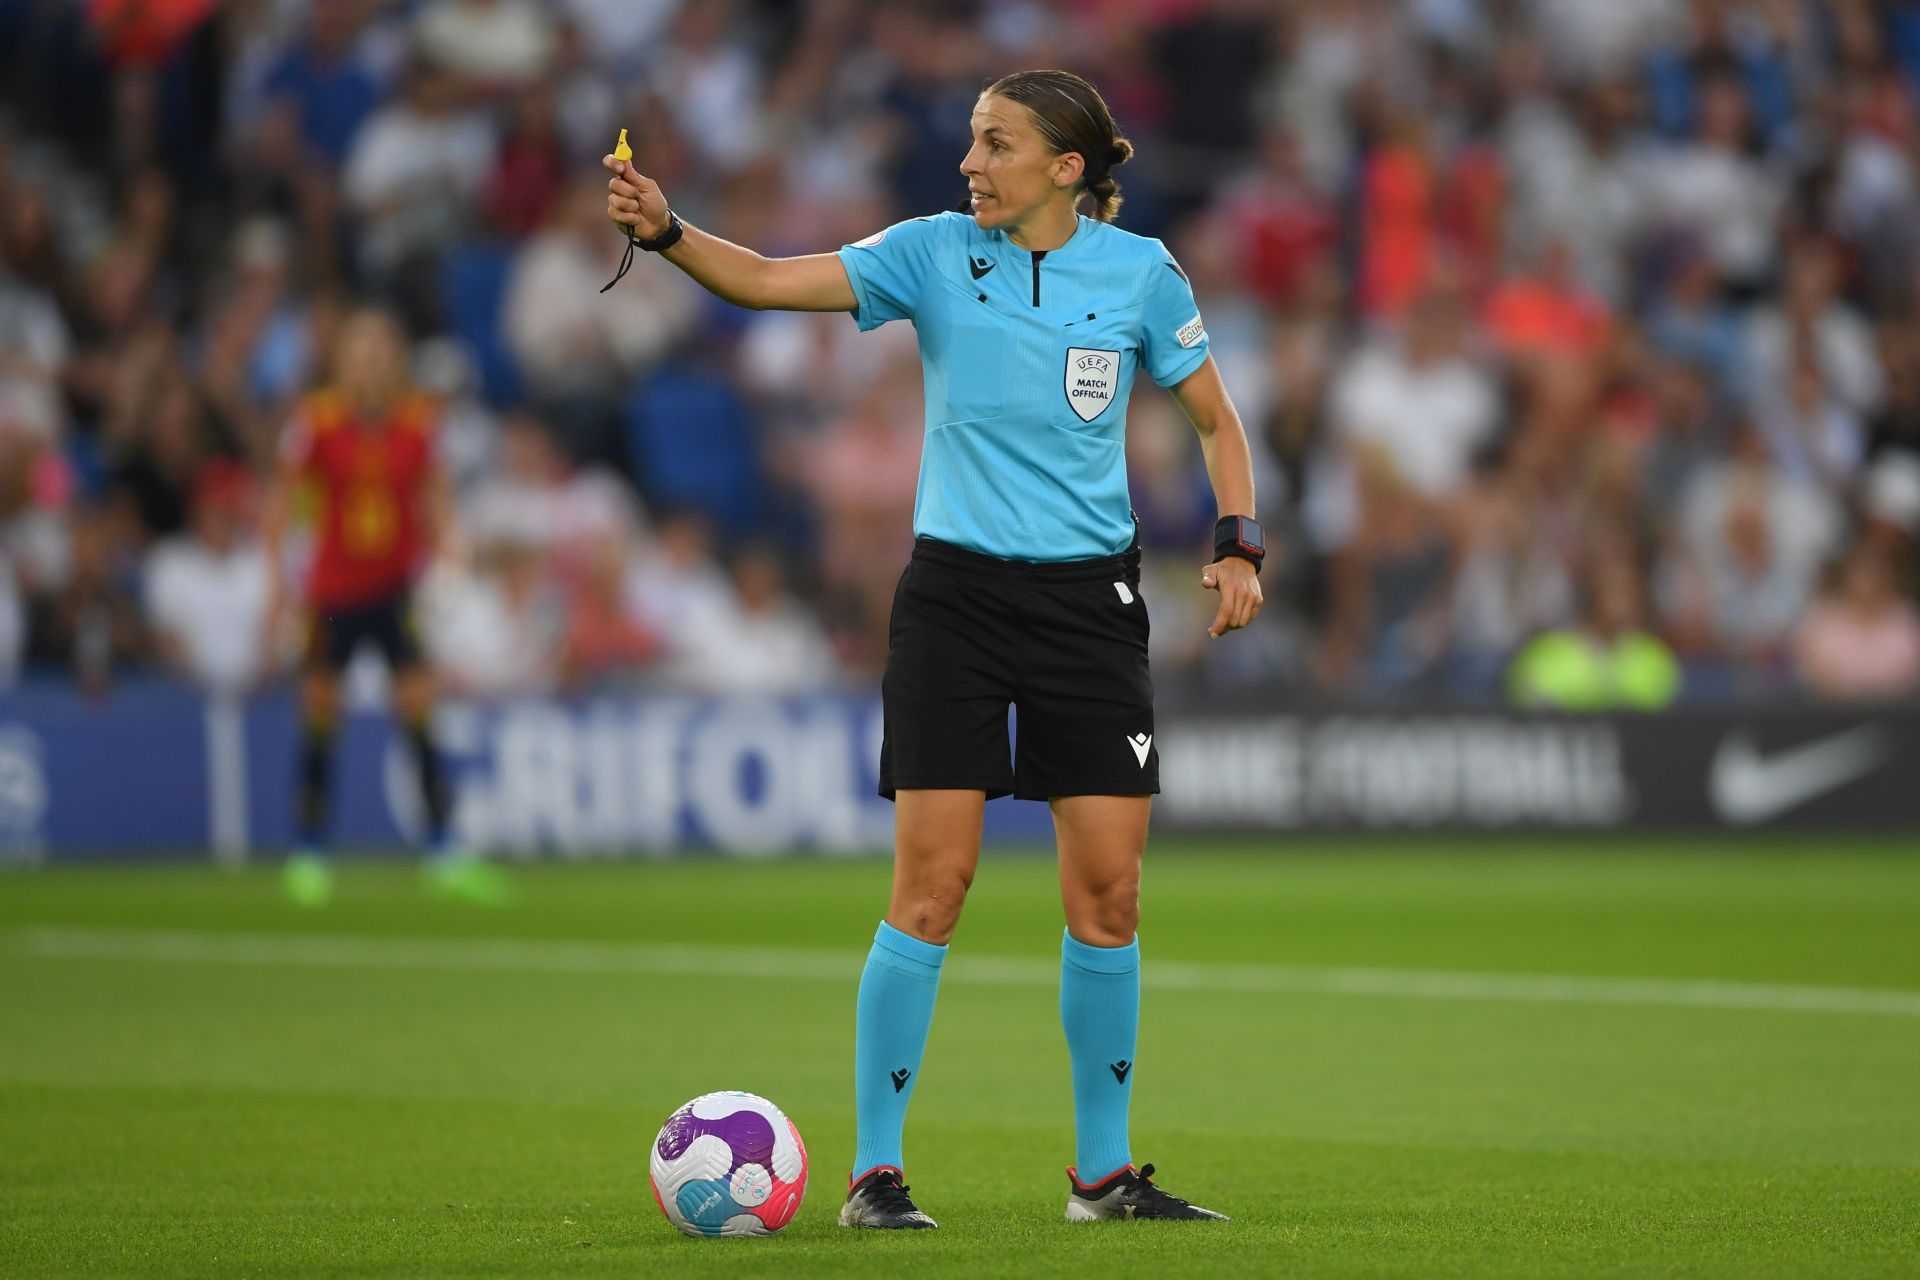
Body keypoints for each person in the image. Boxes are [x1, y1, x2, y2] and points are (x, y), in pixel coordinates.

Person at [606, 68, 1261, 1227]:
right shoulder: (930, 252)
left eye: (996, 143)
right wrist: (666, 233)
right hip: (954, 598)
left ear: (1066, 168)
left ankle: (1103, 1177)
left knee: (1109, 892)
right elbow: (762, 280)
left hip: (1089, 609)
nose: (970, 163)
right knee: (933, 884)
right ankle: (875, 1172)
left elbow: (1215, 416)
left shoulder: (1143, 274)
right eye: (971, 140)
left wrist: (1237, 543)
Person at [262, 306, 507, 908]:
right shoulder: (314, 422)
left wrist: (452, 557)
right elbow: (281, 508)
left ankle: (444, 849)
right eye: (360, 349)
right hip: (332, 593)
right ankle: (309, 851)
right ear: (342, 358)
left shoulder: (419, 422)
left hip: (395, 591)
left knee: (420, 713)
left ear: (394, 359)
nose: (371, 361)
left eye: (381, 349)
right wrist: (277, 590)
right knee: (321, 713)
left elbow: (437, 500)